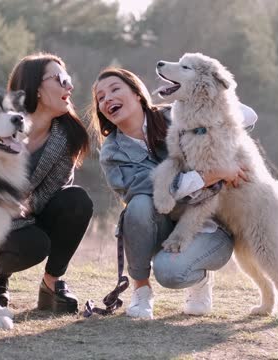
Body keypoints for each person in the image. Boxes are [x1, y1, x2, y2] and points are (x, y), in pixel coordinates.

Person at [90, 67, 257, 319]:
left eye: (115, 89)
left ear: (137, 94)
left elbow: (248, 116)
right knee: (138, 205)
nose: (107, 99)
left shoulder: (176, 115)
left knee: (171, 274)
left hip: (209, 224)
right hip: (160, 226)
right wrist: (213, 173)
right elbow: (156, 191)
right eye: (100, 97)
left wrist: (213, 120)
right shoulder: (112, 153)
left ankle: (200, 278)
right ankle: (141, 293)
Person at [0, 53, 93, 314]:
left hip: (28, 213)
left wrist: (21, 204)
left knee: (76, 201)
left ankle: (51, 286)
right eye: (61, 79)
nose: (69, 86)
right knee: (29, 242)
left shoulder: (66, 138)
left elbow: (51, 194)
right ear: (36, 88)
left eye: (68, 80)